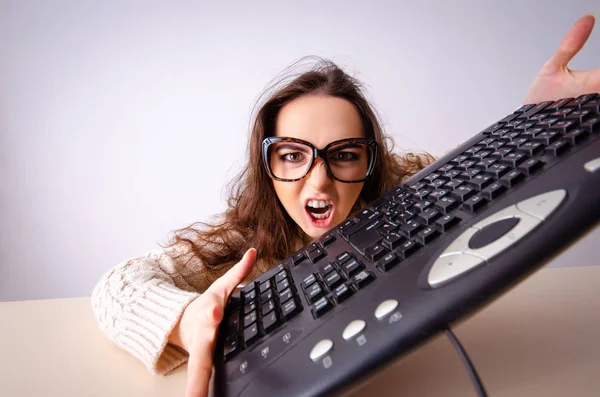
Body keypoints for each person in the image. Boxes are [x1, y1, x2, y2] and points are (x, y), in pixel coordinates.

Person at [91, 14, 600, 397]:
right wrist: (187, 319)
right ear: (267, 164)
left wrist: (540, 120)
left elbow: (475, 170)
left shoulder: (401, 186)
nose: (320, 180)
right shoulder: (244, 241)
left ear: (369, 160)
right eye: (292, 155)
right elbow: (118, 286)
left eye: (344, 155)